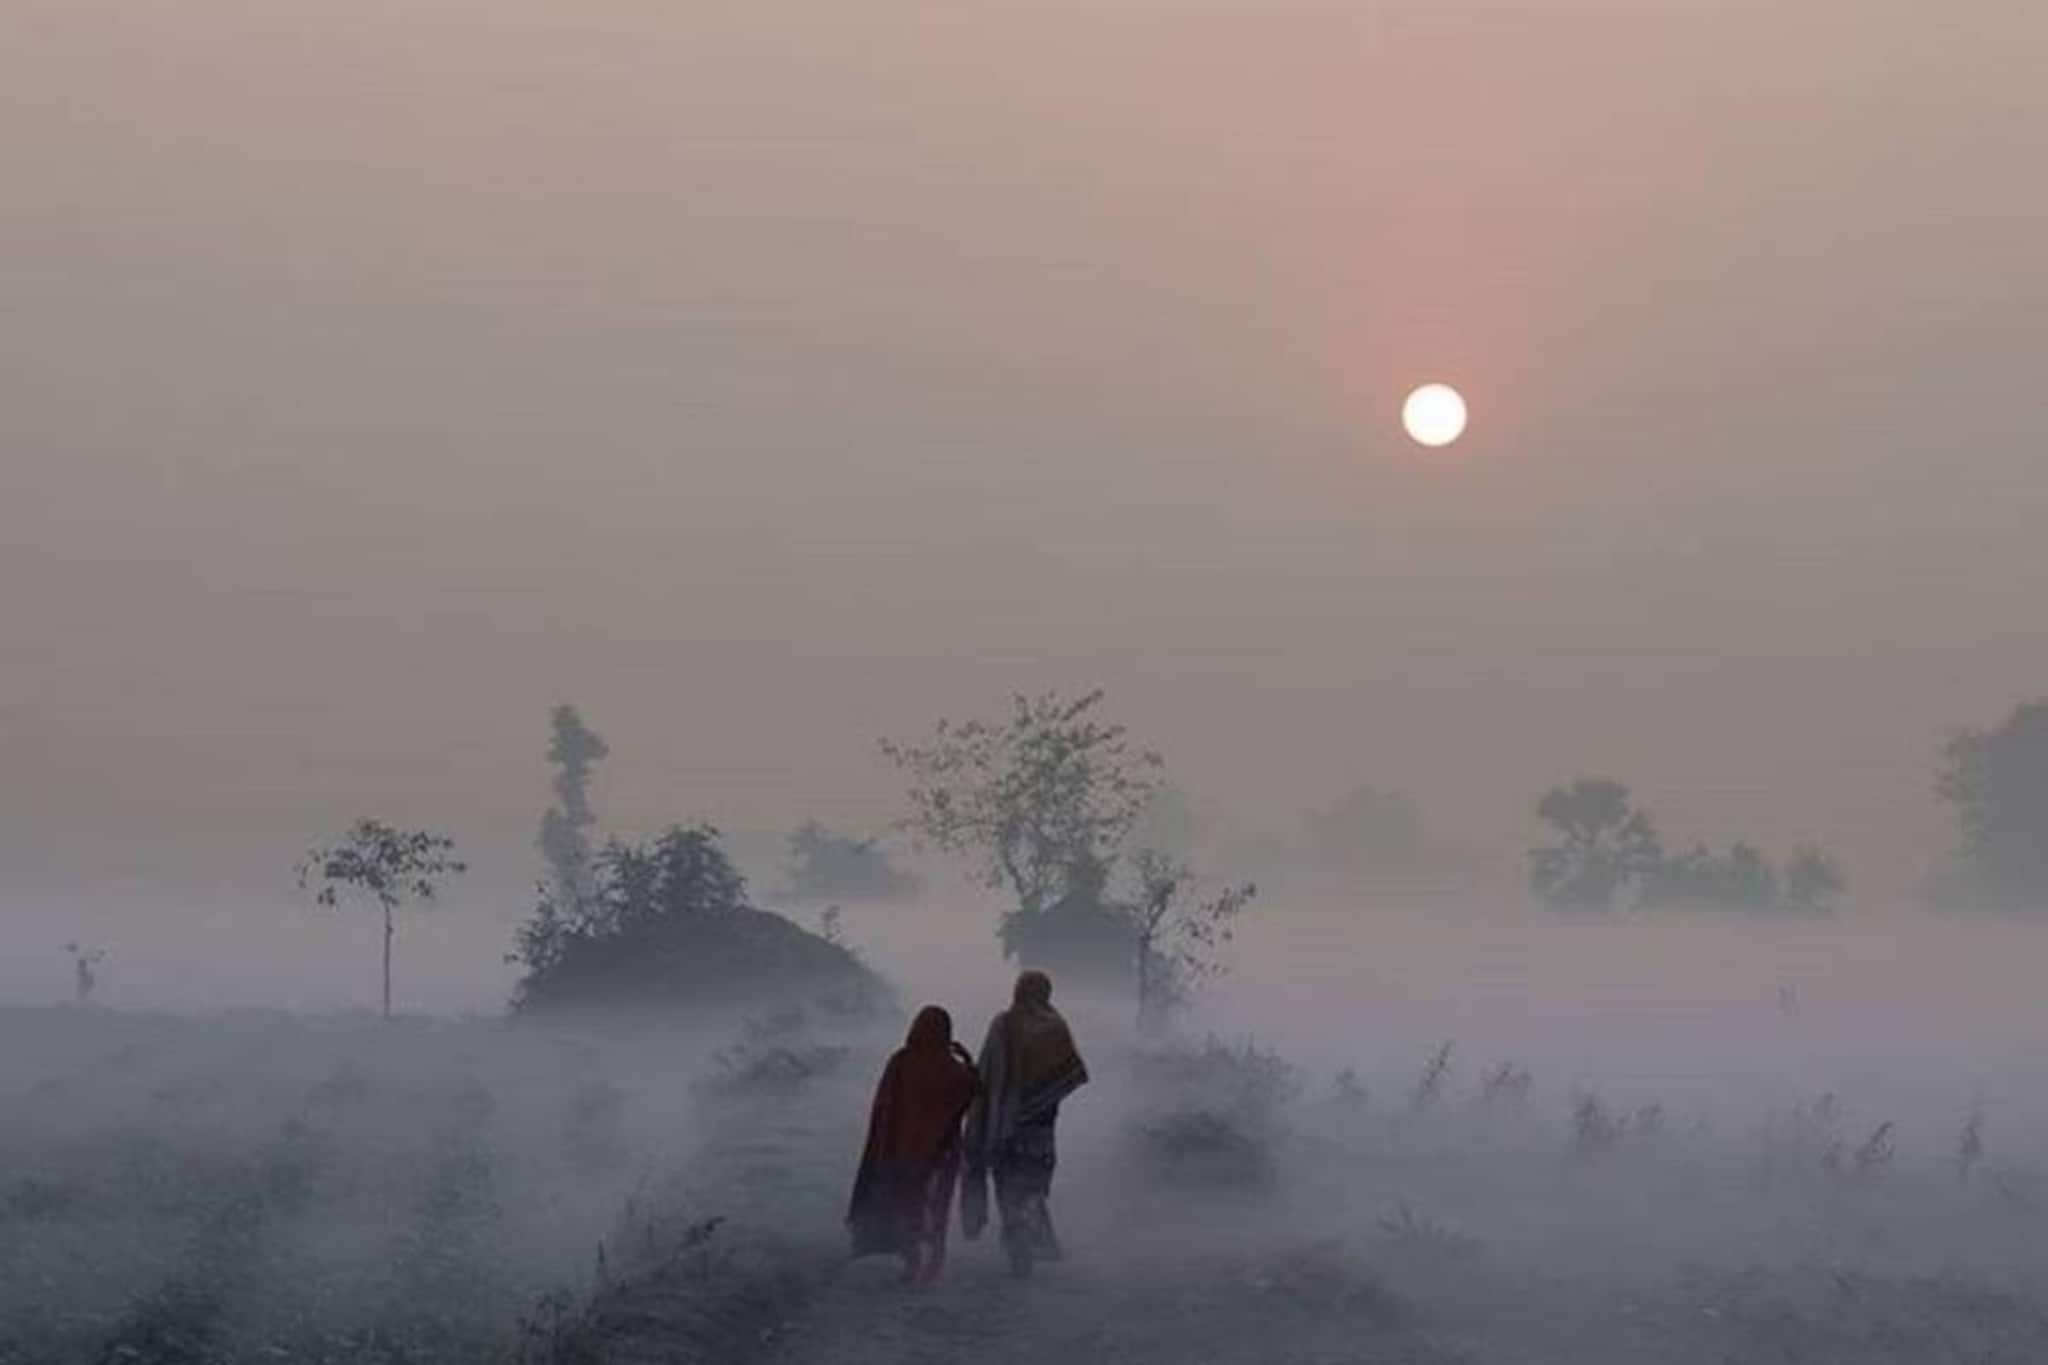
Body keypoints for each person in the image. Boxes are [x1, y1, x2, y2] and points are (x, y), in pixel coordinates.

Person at [961, 969, 1089, 1278]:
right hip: (1042, 1125)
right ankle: (1028, 1239)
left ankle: (1017, 1240)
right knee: (1032, 1185)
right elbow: (1069, 1076)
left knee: (1007, 1184)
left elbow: (987, 1073)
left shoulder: (1003, 1024)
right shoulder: (1056, 1027)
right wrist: (1042, 1100)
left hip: (1006, 1124)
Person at [847, 1005, 980, 1285]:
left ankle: (911, 1260)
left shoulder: (900, 1061)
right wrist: (967, 1059)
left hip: (900, 1151)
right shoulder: (952, 1070)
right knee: (935, 1207)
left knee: (905, 1205)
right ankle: (931, 1262)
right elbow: (972, 1091)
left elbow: (884, 1104)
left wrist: (883, 1143)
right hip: (940, 1155)